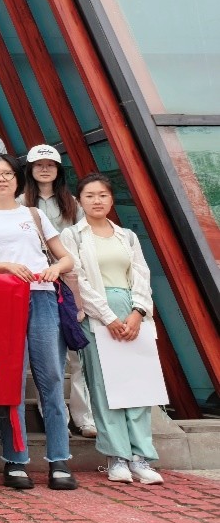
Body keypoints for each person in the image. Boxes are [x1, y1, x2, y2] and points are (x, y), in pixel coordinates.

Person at [0, 153, 77, 491]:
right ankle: (15, 460)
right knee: (11, 381)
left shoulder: (34, 214)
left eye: (7, 174)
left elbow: (67, 258)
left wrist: (55, 268)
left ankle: (59, 459)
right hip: (1, 302)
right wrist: (4, 267)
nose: (1, 179)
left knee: (51, 377)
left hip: (42, 297)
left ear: (18, 178)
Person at [64, 174, 164, 486]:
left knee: (138, 386)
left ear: (111, 199)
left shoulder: (127, 237)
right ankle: (116, 457)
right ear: (79, 200)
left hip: (133, 316)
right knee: (105, 387)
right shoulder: (73, 235)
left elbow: (141, 275)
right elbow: (77, 279)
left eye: (103, 195)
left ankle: (141, 456)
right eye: (90, 195)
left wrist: (137, 312)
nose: (97, 201)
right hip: (97, 318)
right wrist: (108, 317)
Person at [20, 143, 94, 438]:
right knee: (47, 356)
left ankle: (84, 417)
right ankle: (53, 415)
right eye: (39, 165)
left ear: (58, 169)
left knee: (76, 350)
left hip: (69, 280)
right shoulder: (20, 202)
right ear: (30, 170)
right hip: (37, 282)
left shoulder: (72, 203)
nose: (45, 169)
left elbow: (84, 242)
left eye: (50, 164)